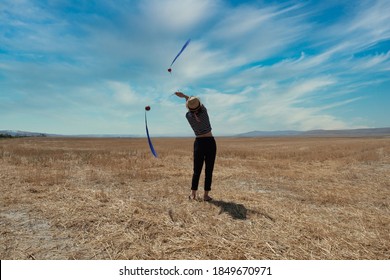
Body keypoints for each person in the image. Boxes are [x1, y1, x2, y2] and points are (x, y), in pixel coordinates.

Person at [175, 92, 217, 201]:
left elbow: (191, 108)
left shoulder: (188, 116)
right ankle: (206, 195)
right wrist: (185, 96)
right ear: (199, 105)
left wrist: (185, 98)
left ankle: (193, 194)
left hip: (199, 142)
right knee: (209, 170)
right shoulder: (204, 112)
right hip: (210, 142)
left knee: (196, 170)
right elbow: (194, 105)